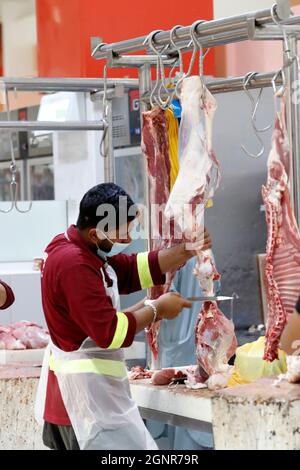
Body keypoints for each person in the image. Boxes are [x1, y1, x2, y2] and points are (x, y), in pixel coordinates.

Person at [38, 183, 212, 451]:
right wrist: (157, 310)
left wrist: (184, 251)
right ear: (96, 233)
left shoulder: (77, 246)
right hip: (83, 405)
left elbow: (129, 270)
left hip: (87, 400)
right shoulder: (74, 264)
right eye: (122, 234)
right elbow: (111, 333)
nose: (127, 239)